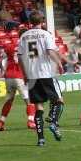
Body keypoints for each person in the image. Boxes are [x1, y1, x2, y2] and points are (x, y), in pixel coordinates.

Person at [17, 14, 64, 146]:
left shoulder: (23, 36)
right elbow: (50, 52)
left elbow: (20, 58)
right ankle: (54, 123)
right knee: (58, 101)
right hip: (45, 73)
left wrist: (25, 74)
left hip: (31, 75)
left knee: (38, 108)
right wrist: (59, 64)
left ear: (30, 22)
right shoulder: (45, 34)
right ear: (42, 21)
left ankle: (41, 140)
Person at [0, 32, 36, 132]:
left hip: (8, 77)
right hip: (20, 76)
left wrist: (2, 70)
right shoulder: (27, 46)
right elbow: (33, 60)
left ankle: (1, 122)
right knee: (29, 101)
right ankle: (31, 121)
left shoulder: (10, 46)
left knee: (9, 100)